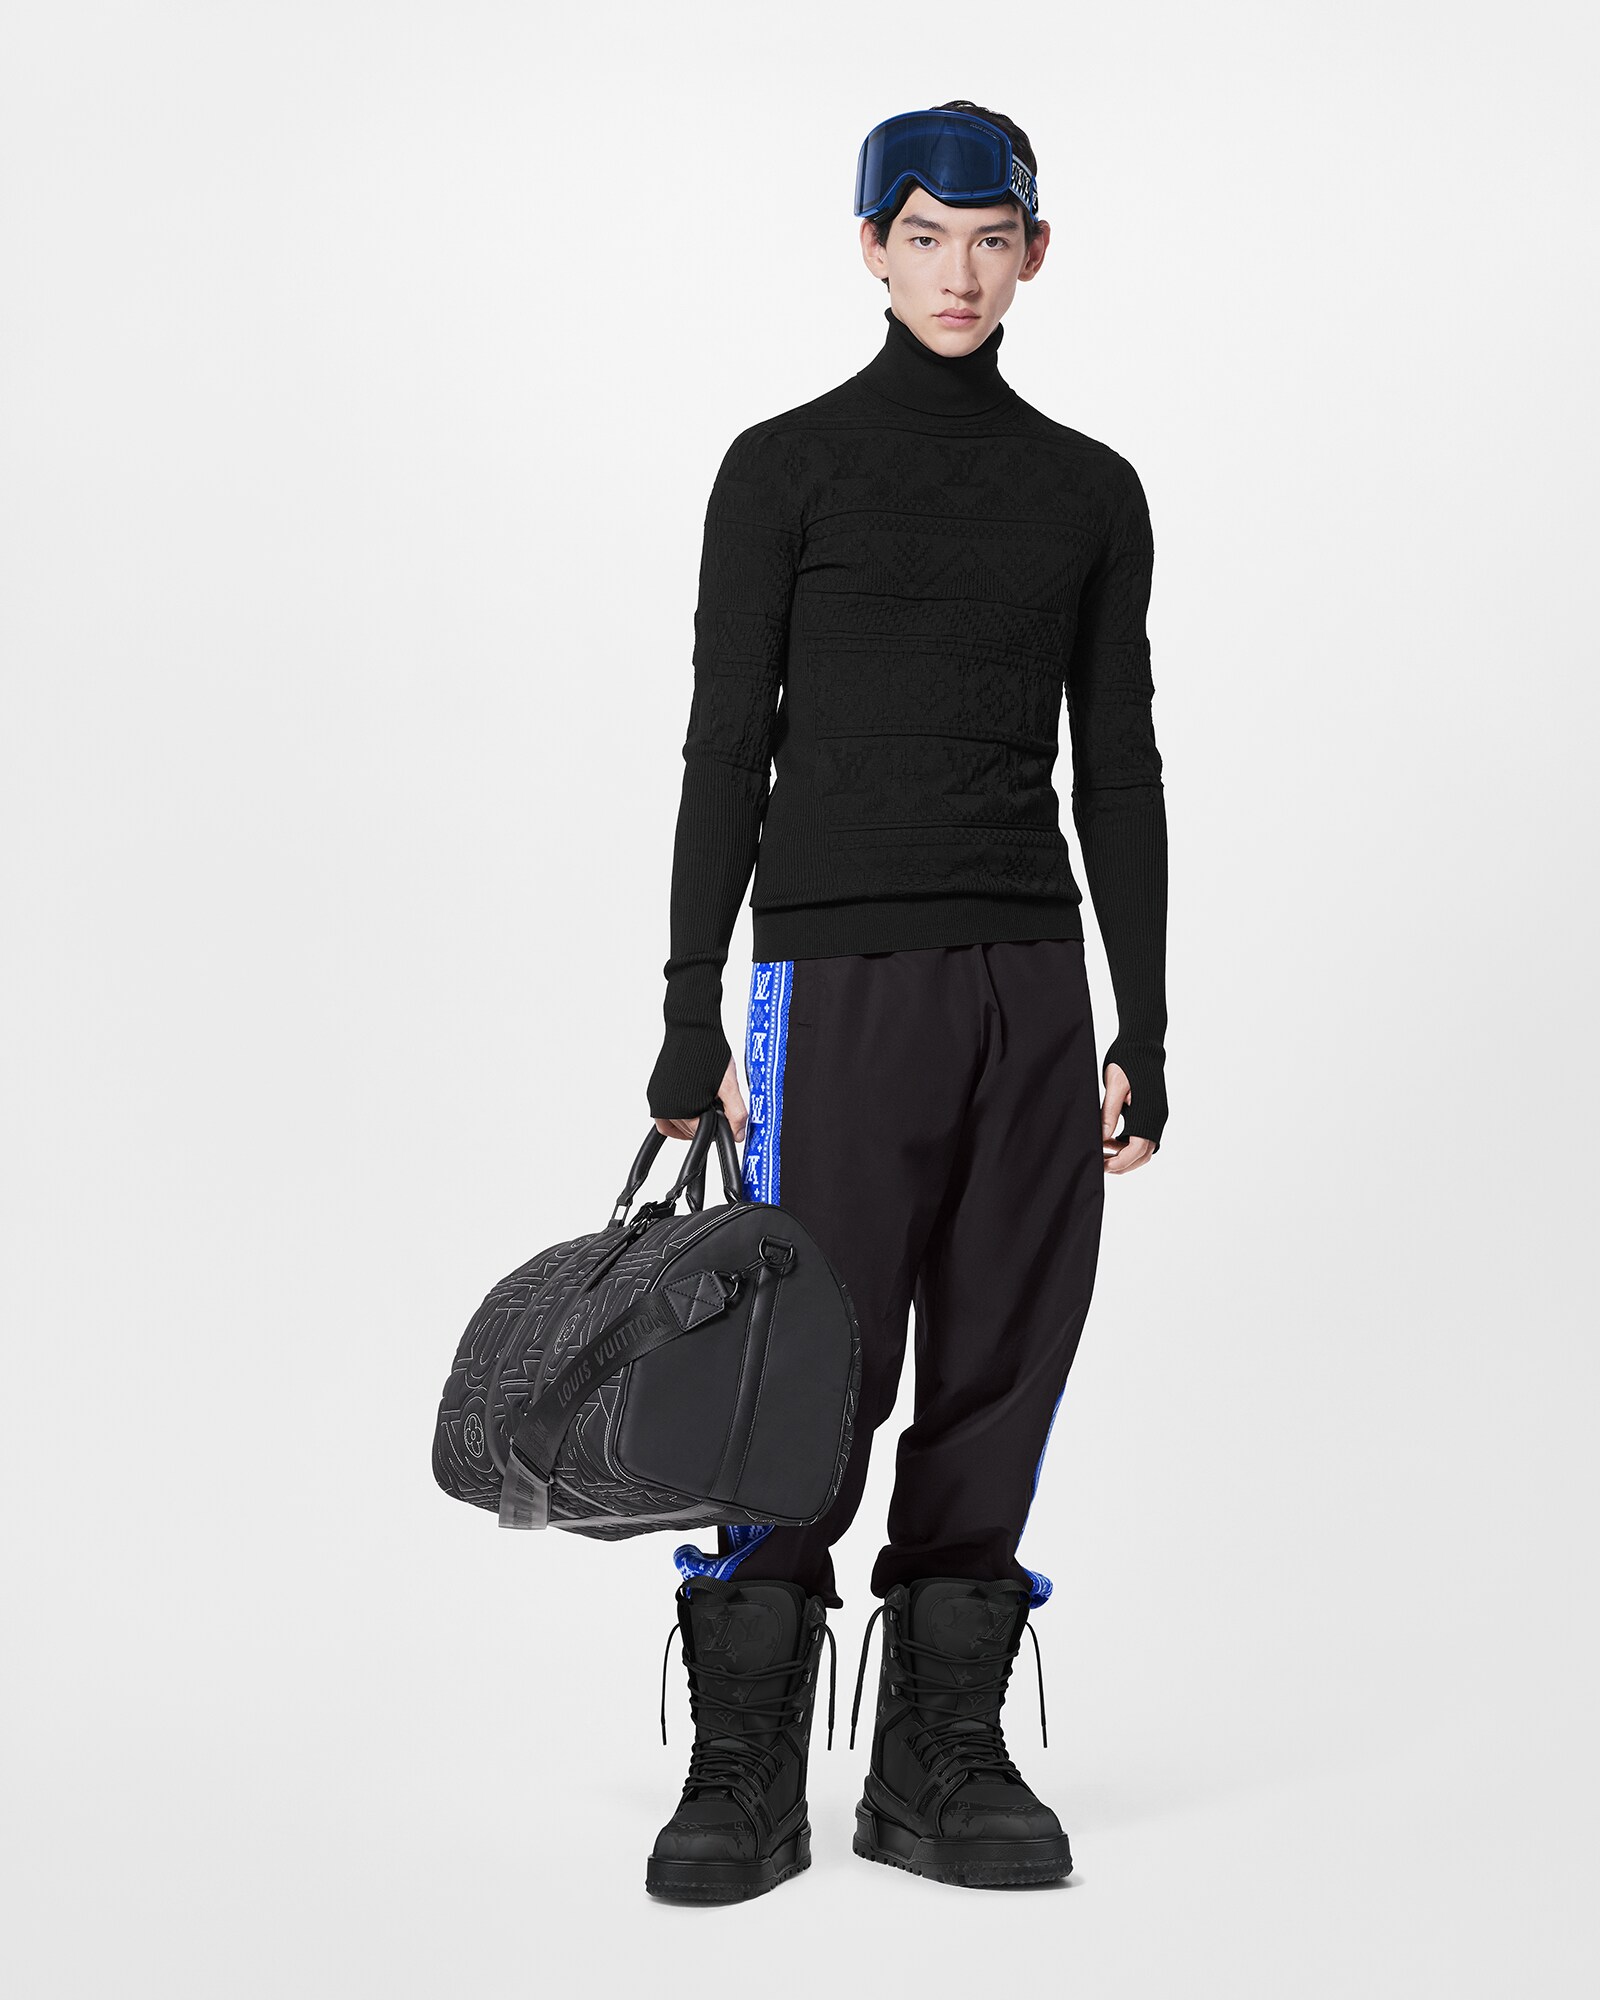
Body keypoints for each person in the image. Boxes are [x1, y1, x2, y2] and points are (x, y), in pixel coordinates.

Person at [641, 101, 1167, 1903]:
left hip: (1030, 971)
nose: (958, 272)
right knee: (810, 1359)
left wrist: (1143, 1020)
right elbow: (726, 746)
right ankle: (745, 1766)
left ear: (1036, 253)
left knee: (1007, 1355)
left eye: (990, 238)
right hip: (833, 977)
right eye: (924, 235)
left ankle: (937, 1759)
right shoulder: (783, 470)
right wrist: (689, 1007)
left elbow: (1119, 766)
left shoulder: (1089, 490)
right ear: (870, 247)